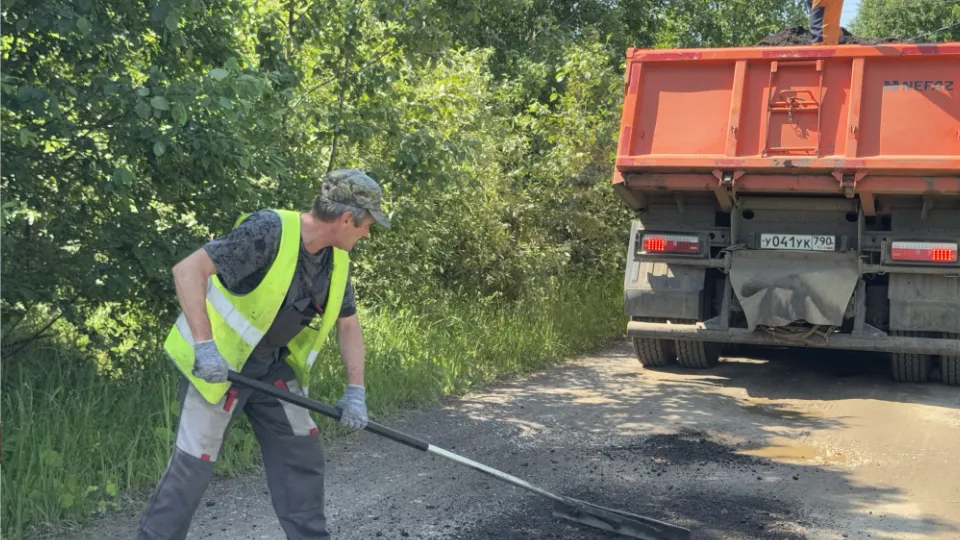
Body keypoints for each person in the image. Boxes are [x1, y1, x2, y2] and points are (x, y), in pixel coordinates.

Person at [136, 169, 391, 540]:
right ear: (347, 218)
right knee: (194, 467)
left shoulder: (336, 262)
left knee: (301, 453)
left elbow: (348, 325)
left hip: (270, 369)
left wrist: (356, 391)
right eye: (367, 224)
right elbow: (188, 270)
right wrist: (205, 348)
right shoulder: (269, 230)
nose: (368, 233)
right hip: (220, 370)